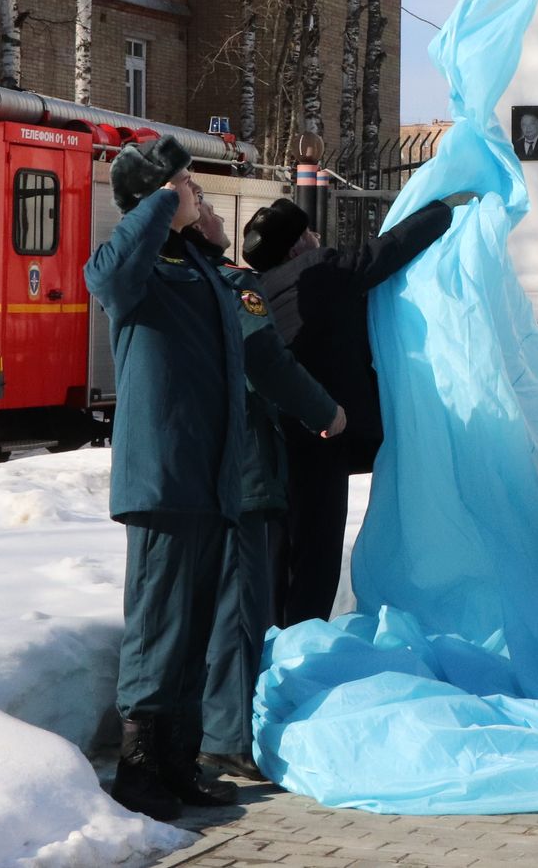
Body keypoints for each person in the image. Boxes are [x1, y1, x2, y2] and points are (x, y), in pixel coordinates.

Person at [86, 136, 343, 821]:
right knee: (159, 625)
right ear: (161, 198)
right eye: (187, 184)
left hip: (214, 478)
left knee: (197, 629)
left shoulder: (202, 270)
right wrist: (166, 195)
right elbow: (106, 275)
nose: (197, 192)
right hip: (164, 477)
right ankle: (139, 769)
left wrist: (324, 411)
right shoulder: (135, 273)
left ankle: (178, 759)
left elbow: (264, 362)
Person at [242, 190, 473, 626]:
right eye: (309, 232)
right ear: (297, 246)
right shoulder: (318, 268)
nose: (317, 236)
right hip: (321, 432)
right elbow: (385, 252)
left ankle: (269, 644)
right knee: (316, 550)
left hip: (270, 441)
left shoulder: (258, 290)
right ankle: (301, 645)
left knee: (278, 548)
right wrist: (445, 208)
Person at [183, 185, 345, 784]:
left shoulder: (168, 277)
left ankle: (193, 729)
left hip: (190, 465)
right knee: (242, 608)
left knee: (196, 604)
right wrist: (327, 411)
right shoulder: (232, 287)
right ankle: (228, 736)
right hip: (243, 464)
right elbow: (269, 364)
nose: (212, 207)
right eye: (199, 200)